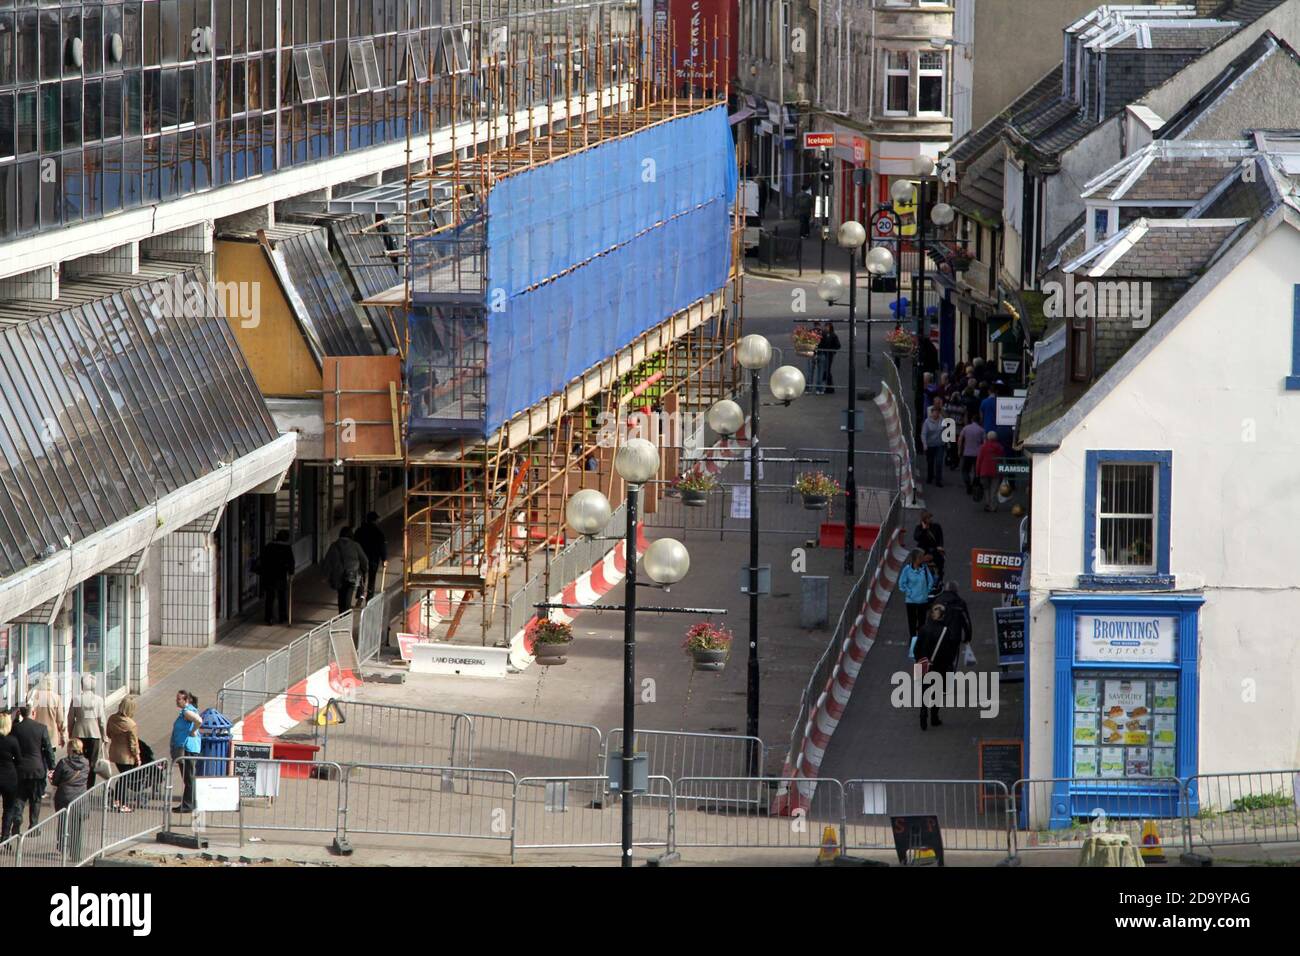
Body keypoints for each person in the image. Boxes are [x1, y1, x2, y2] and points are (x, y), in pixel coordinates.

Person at [913, 603, 960, 730]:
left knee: (924, 689)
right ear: (943, 616)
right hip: (941, 666)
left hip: (924, 665)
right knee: (937, 691)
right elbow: (951, 651)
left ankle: (923, 713)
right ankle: (934, 716)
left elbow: (916, 648)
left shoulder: (923, 629)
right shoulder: (946, 631)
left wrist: (919, 660)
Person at [11, 705, 55, 828]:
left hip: (20, 769)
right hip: (37, 768)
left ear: (21, 714)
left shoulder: (16, 729)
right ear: (33, 713)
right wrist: (52, 767)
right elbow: (48, 750)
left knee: (19, 797)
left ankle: (18, 817)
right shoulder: (41, 728)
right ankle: (34, 824)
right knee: (35, 798)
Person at [67, 674, 107, 778]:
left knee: (78, 760)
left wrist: (70, 732)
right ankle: (90, 785)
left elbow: (70, 718)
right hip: (94, 734)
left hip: (78, 733)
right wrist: (104, 735)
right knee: (92, 762)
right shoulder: (98, 700)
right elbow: (102, 720)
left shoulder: (76, 699)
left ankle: (79, 781)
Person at [106, 697, 142, 813]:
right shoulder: (131, 724)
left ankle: (117, 801)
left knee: (123, 777)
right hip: (126, 756)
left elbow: (108, 734)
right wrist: (137, 756)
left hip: (115, 752)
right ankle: (121, 803)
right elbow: (133, 743)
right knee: (125, 778)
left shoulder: (112, 719)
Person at [323, 527, 369, 614]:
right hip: (351, 575)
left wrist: (326, 575)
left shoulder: (334, 546)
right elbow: (365, 561)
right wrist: (364, 571)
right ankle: (346, 618)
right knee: (348, 597)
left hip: (338, 576)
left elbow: (327, 561)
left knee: (341, 597)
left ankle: (341, 616)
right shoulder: (355, 545)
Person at [170, 690, 202, 813]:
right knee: (188, 777)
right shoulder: (186, 711)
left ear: (186, 700)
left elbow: (198, 720)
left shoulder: (187, 711)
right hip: (186, 747)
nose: (176, 701)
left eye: (179, 699)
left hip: (188, 748)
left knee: (188, 777)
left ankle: (188, 805)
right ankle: (190, 802)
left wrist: (194, 731)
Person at [257, 530, 296, 626]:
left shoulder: (269, 546)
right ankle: (282, 616)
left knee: (270, 597)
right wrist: (291, 573)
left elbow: (262, 559)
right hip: (280, 575)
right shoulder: (286, 548)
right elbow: (291, 562)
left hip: (269, 575)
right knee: (281, 596)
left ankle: (269, 617)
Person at [898, 550, 937, 642]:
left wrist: (927, 591)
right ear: (916, 559)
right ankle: (912, 638)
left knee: (922, 622)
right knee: (912, 621)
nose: (923, 559)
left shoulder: (925, 568)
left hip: (923, 601)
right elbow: (901, 584)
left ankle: (920, 638)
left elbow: (930, 581)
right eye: (921, 557)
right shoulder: (907, 570)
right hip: (911, 601)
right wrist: (909, 592)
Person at [354, 511, 389, 602]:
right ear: (375, 520)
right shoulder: (378, 532)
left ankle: (360, 593)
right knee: (372, 578)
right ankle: (369, 597)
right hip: (373, 558)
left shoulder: (359, 530)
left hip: (361, 558)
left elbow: (354, 543)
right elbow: (382, 546)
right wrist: (384, 559)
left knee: (361, 576)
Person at [26, 674, 66, 751]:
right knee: (50, 760)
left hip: (35, 734)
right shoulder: (56, 698)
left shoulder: (33, 695)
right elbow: (60, 720)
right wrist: (62, 735)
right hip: (51, 736)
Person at [933, 581, 973, 651]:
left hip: (939, 635)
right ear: (956, 590)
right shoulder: (960, 602)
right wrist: (968, 637)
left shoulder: (938, 601)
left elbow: (932, 620)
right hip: (954, 636)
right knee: (952, 657)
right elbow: (966, 622)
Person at [0, 713, 21, 839]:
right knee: (8, 809)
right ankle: (5, 837)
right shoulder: (12, 741)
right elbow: (19, 760)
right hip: (9, 778)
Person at [975, 429, 1005, 511]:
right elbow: (1002, 460)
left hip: (984, 471)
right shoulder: (1000, 447)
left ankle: (987, 504)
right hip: (996, 471)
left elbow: (979, 460)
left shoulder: (983, 447)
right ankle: (993, 506)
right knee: (994, 490)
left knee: (986, 488)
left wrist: (977, 472)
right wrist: (1003, 472)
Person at [958, 413, 985, 495]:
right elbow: (984, 442)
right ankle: (974, 484)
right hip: (977, 454)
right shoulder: (981, 430)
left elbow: (960, 439)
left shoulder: (966, 428)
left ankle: (967, 483)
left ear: (972, 420)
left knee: (965, 470)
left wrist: (959, 450)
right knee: (976, 471)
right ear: (979, 421)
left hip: (967, 453)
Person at [914, 511, 946, 582]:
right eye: (928, 518)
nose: (930, 519)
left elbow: (940, 538)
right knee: (916, 561)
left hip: (934, 549)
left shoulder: (936, 526)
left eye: (930, 517)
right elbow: (916, 537)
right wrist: (924, 530)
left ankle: (940, 577)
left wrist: (940, 546)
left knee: (940, 560)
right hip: (923, 550)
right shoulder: (919, 528)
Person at [920, 406, 946, 487]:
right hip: (930, 445)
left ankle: (938, 480)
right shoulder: (927, 422)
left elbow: (945, 431)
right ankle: (930, 477)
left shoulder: (942, 421)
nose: (936, 414)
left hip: (939, 445)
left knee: (939, 462)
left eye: (937, 412)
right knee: (930, 462)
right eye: (934, 412)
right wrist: (924, 444)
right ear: (931, 413)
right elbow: (923, 434)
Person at [817, 322, 841, 395]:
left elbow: (838, 345)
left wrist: (832, 351)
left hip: (829, 355)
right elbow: (820, 344)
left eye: (827, 327)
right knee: (825, 371)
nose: (826, 328)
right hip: (823, 354)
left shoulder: (833, 335)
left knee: (827, 370)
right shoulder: (823, 334)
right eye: (825, 326)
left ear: (830, 327)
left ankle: (829, 387)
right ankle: (827, 387)